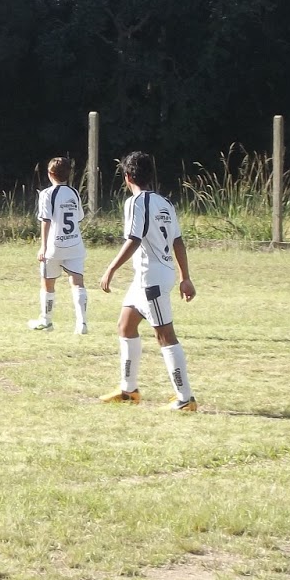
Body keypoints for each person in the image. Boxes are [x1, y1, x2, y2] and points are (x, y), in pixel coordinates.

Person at [98, 151, 197, 411]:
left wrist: (110, 268)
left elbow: (134, 239)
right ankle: (128, 390)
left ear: (127, 177)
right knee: (125, 325)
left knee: (165, 336)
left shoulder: (136, 202)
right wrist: (185, 277)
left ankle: (185, 398)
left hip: (151, 279)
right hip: (149, 277)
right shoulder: (165, 203)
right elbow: (177, 241)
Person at [31, 156, 88, 334]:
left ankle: (46, 320)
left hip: (54, 246)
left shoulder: (47, 194)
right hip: (74, 244)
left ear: (50, 173)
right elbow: (79, 217)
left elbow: (45, 220)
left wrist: (43, 247)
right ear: (69, 174)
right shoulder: (74, 193)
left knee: (47, 283)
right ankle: (82, 323)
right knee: (77, 282)